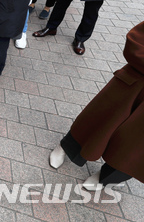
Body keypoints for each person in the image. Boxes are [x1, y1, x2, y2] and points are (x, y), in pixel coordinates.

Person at [49, 20, 144, 191]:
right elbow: (136, 41)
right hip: (135, 81)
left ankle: (106, 178)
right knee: (99, 119)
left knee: (136, 146)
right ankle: (66, 147)